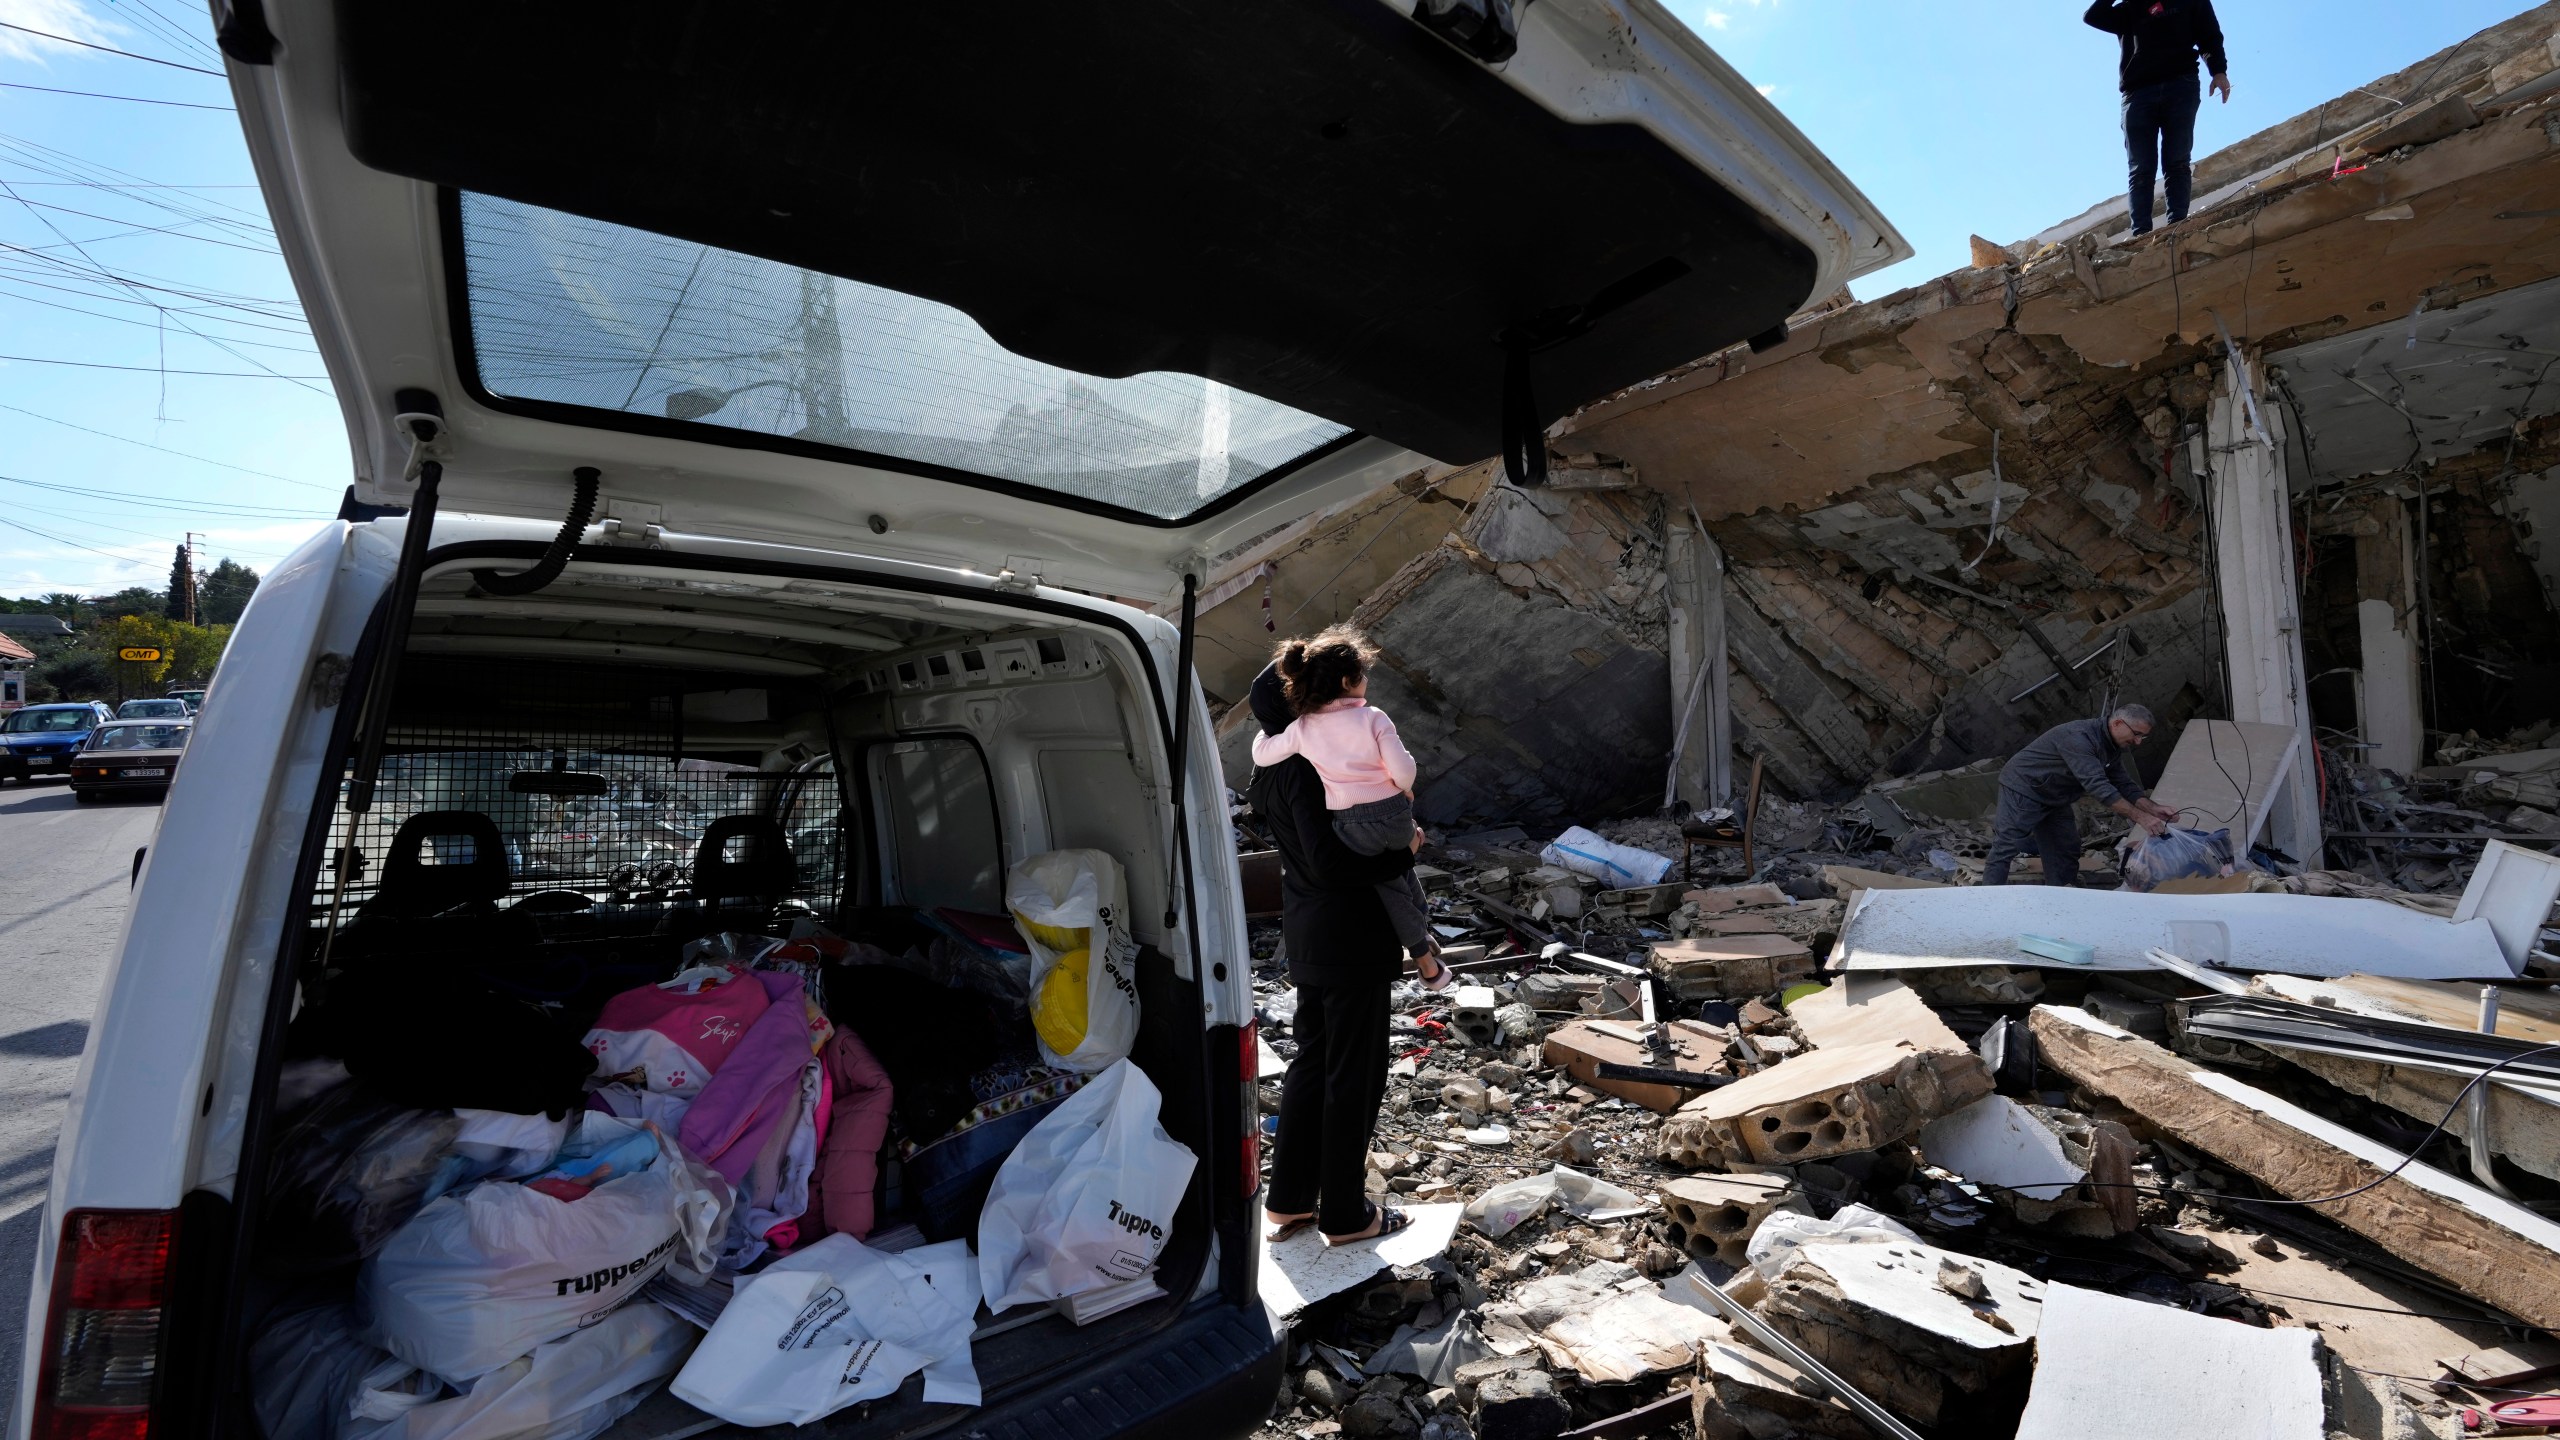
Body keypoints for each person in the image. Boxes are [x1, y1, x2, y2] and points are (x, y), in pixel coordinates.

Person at [1248, 660, 1420, 1248]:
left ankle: (1289, 1201)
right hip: (1350, 937)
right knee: (1355, 1074)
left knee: (1314, 1062)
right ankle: (1346, 1213)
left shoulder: (1272, 765)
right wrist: (1404, 855)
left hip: (1311, 935)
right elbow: (1331, 862)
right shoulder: (1306, 768)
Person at [1250, 628, 1451, 989]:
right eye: (1363, 674)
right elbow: (1404, 769)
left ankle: (1424, 955)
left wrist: (1266, 731)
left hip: (1353, 826)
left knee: (1390, 883)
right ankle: (1426, 949)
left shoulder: (1302, 729)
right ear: (1347, 681)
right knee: (1404, 873)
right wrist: (1404, 790)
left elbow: (1263, 754)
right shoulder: (1374, 717)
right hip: (1395, 814)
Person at [1983, 704, 2179, 887]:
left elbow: (2123, 783)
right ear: (2118, 723)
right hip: (2025, 788)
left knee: (2065, 849)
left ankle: (2060, 898)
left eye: (2142, 737)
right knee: (2006, 847)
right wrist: (2141, 818)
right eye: (2136, 734)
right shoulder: (2078, 738)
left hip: (2055, 795)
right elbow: (2099, 787)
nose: (2137, 742)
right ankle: (1988, 904)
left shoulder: (2112, 745)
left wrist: (2153, 808)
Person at [2084, 0, 2230, 235]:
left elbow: (2209, 35)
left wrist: (2219, 71)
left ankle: (2178, 227)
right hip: (2138, 93)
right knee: (2141, 168)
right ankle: (2140, 233)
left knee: (2177, 161)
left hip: (2181, 84)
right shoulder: (2130, 7)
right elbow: (2093, 16)